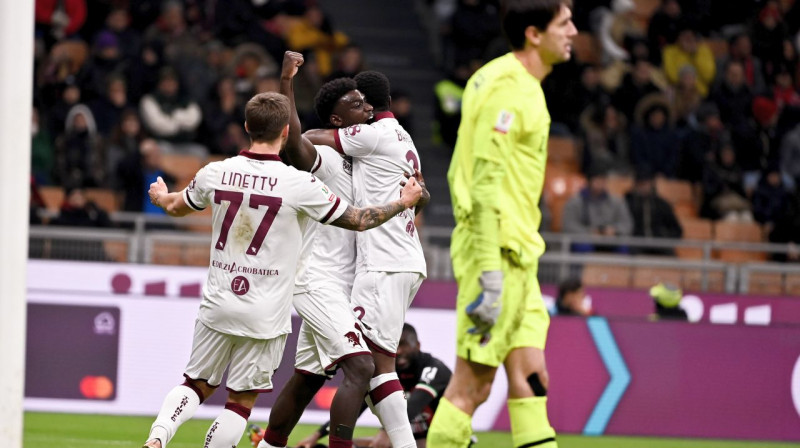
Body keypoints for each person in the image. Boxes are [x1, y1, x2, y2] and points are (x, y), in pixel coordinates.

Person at [140, 90, 424, 448]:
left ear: (246, 127)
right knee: (239, 403)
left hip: (218, 300)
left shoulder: (216, 171)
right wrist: (403, 202)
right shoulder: (299, 184)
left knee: (194, 384)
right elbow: (359, 219)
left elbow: (176, 206)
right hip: (266, 310)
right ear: (286, 132)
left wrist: (160, 194)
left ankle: (158, 437)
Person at [427, 1, 577, 447]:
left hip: (520, 257)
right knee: (472, 387)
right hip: (496, 255)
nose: (573, 31)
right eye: (564, 23)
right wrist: (490, 270)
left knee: (532, 379)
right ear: (534, 33)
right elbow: (484, 180)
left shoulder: (498, 78)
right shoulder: (511, 88)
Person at [252, 52, 377, 448]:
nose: (367, 107)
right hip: (316, 279)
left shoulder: (369, 161)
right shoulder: (325, 158)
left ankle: (267, 445)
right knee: (361, 367)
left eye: (366, 100)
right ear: (337, 121)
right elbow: (295, 145)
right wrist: (287, 82)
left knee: (307, 378)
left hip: (343, 285)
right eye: (356, 105)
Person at [303, 70, 428, 448]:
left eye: (360, 102)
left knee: (367, 367)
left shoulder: (371, 135)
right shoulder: (405, 138)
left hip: (383, 264)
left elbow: (309, 138)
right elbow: (423, 194)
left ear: (370, 107)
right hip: (405, 260)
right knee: (375, 365)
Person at [260, 323, 452, 448]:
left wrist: (387, 433)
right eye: (395, 345)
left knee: (381, 445)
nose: (398, 351)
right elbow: (359, 404)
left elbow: (414, 404)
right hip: (407, 439)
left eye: (404, 345)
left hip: (439, 441)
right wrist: (317, 434)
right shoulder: (392, 371)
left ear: (417, 345)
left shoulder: (434, 369)